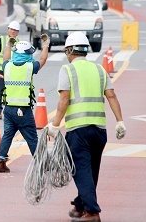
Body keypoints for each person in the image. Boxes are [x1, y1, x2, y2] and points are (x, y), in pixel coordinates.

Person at [46, 32, 126, 222]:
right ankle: (81, 205)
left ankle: (92, 212)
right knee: (91, 170)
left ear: (70, 50)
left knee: (81, 169)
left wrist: (55, 125)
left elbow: (64, 99)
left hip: (78, 129)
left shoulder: (68, 70)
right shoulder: (100, 69)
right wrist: (120, 121)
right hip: (99, 130)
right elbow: (112, 96)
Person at [0, 36, 49, 173]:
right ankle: (42, 163)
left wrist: (8, 45)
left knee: (7, 134)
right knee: (31, 137)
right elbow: (42, 60)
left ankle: (0, 162)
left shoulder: (7, 66)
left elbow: (5, 59)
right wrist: (46, 45)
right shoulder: (30, 67)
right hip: (23, 110)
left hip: (8, 109)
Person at [0, 20, 21, 120]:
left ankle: (11, 110)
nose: (13, 31)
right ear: (8, 30)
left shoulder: (19, 43)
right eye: (11, 29)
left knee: (12, 91)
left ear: (18, 32)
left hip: (13, 70)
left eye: (15, 30)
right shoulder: (1, 40)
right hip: (1, 70)